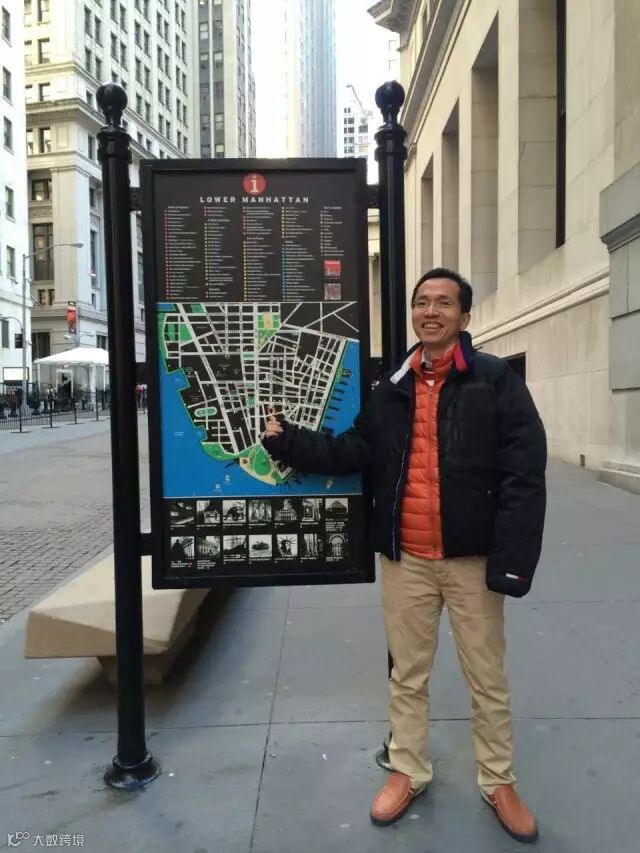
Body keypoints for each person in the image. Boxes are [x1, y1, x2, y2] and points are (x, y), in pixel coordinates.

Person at [262, 268, 546, 843]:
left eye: (444, 302)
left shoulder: (495, 381)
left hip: (471, 562)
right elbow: (354, 450)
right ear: (413, 314)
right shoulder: (390, 387)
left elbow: (524, 474)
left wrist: (511, 562)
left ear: (465, 317)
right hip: (406, 560)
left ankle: (498, 780)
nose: (430, 311)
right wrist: (288, 440)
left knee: (486, 677)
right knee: (407, 675)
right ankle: (408, 769)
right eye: (422, 302)